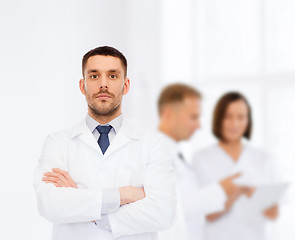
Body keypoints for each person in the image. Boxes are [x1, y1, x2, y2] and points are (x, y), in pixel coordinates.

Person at [34, 46, 176, 240]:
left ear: (125, 86)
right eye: (94, 76)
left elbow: (163, 212)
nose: (103, 84)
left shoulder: (152, 144)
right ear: (82, 85)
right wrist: (123, 195)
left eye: (112, 76)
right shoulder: (58, 143)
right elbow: (49, 205)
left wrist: (84, 205)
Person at [156, 84, 243, 240]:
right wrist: (221, 190)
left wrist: (227, 198)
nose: (198, 125)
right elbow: (174, 210)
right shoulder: (154, 155)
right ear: (168, 115)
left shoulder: (177, 154)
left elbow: (193, 206)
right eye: (193, 117)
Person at [192, 92, 280, 240]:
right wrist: (238, 191)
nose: (234, 123)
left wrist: (256, 197)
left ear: (248, 121)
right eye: (228, 117)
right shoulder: (201, 158)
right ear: (219, 119)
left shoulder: (263, 158)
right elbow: (208, 214)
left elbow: (273, 213)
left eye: (241, 117)